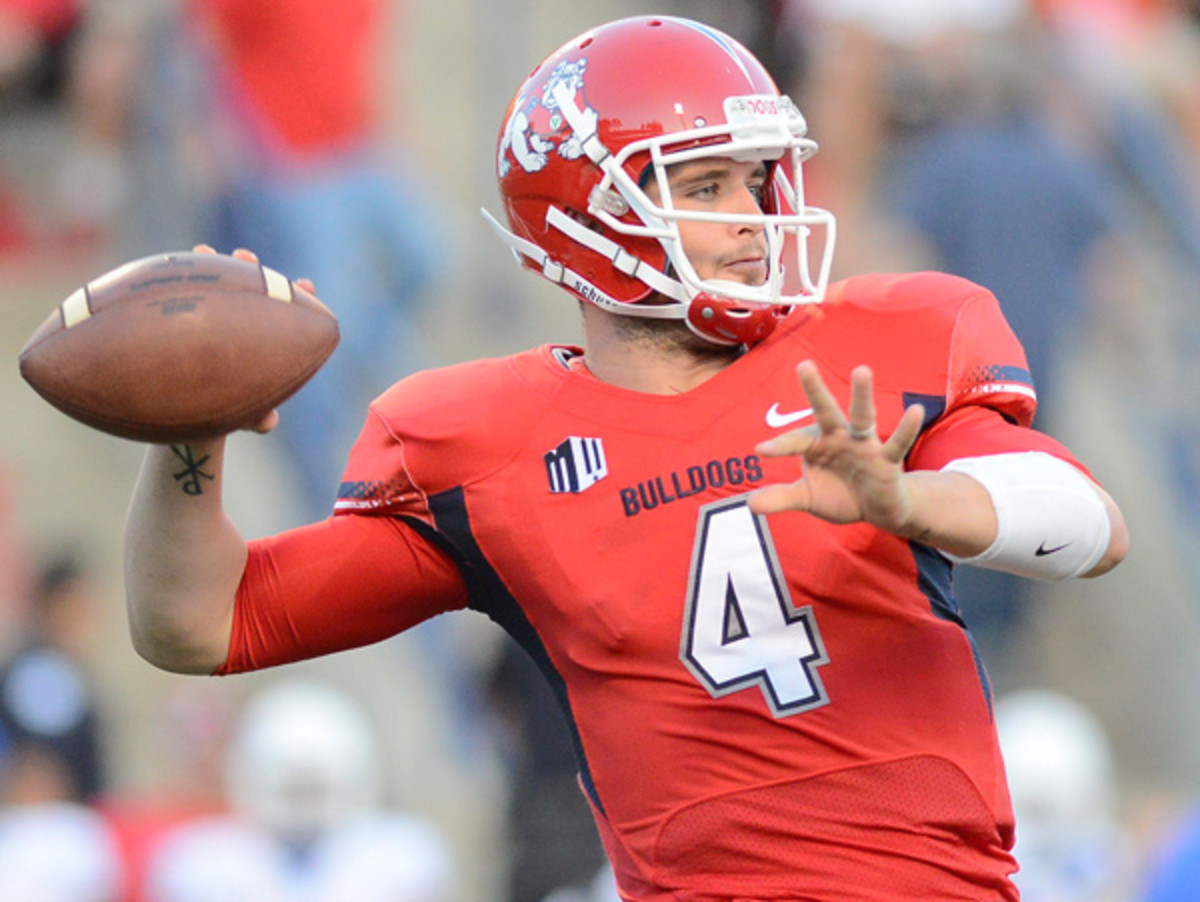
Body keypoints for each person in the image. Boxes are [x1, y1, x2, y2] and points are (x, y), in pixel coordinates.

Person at [120, 15, 1129, 902]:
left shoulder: (876, 352)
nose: (753, 214)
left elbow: (1086, 521)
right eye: (705, 184)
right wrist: (186, 436)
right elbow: (205, 619)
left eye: (755, 177)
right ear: (586, 217)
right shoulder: (489, 445)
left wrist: (909, 498)